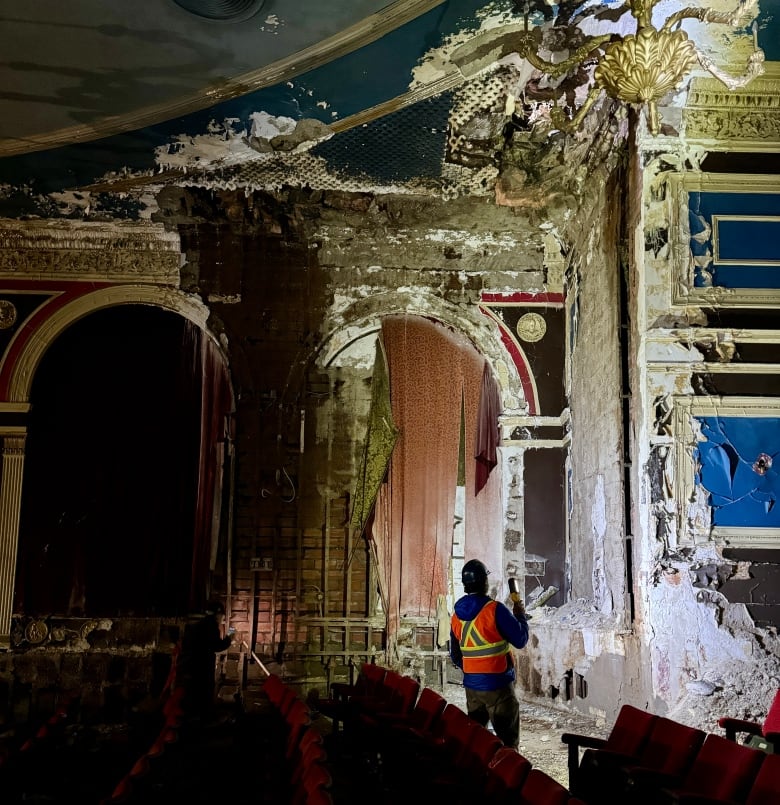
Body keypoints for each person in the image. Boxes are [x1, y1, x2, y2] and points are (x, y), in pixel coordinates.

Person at [449, 559, 529, 749]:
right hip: (498, 686)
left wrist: (474, 670)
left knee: (478, 742)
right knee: (508, 743)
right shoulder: (495, 610)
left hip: (472, 688)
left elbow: (455, 655)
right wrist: (520, 615)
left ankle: (481, 776)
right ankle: (507, 777)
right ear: (485, 582)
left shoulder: (456, 616)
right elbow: (520, 639)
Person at [178, 600, 234, 721]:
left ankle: (194, 717)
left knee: (195, 691)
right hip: (203, 665)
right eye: (222, 615)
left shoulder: (199, 625)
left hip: (192, 664)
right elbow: (217, 646)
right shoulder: (212, 627)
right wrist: (229, 638)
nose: (222, 618)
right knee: (205, 691)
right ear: (217, 614)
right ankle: (205, 719)